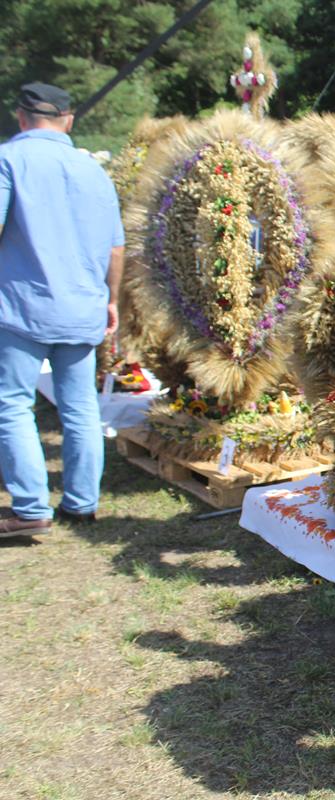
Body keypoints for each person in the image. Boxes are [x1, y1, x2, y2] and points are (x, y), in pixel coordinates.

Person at [0, 82, 124, 537]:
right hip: (82, 306)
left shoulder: (8, 159)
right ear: (68, 121)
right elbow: (116, 247)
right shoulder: (94, 170)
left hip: (21, 307)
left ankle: (31, 508)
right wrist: (112, 299)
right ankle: (82, 503)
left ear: (20, 117)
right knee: (81, 408)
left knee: (12, 405)